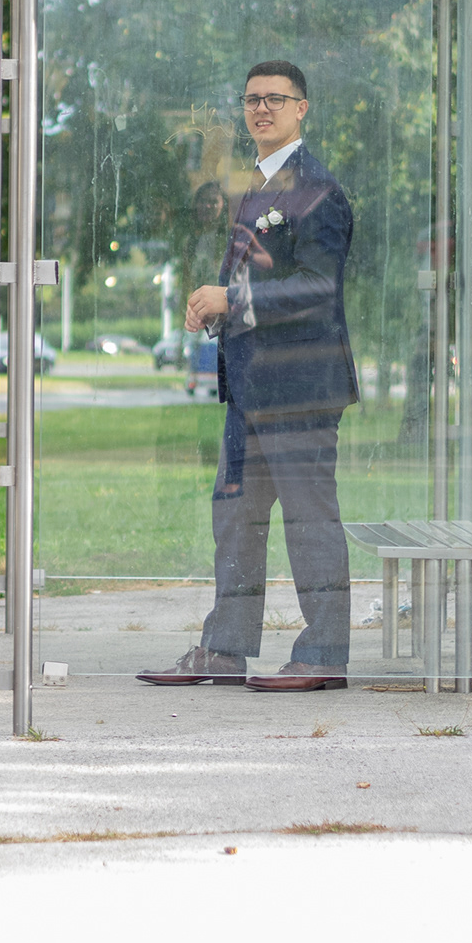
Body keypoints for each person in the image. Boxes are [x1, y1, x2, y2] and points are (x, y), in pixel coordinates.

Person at [139, 60, 358, 693]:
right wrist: (215, 307)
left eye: (275, 99)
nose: (261, 109)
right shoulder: (257, 184)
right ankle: (225, 649)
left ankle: (323, 654)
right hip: (252, 391)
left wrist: (230, 298)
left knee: (310, 522)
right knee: (235, 520)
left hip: (301, 391)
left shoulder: (318, 190)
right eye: (252, 99)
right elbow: (257, 278)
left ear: (301, 108)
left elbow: (318, 288)